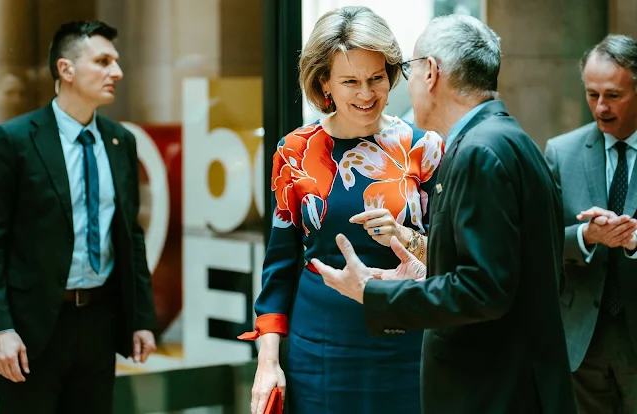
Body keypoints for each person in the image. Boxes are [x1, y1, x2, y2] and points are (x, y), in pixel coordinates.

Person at [311, 14, 578, 413]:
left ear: (431, 72)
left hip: (493, 391)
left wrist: (373, 292)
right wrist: (427, 268)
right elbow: (503, 271)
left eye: (408, 70)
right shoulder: (508, 138)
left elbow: (482, 290)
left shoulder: (478, 152)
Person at [238, 6, 444, 414]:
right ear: (324, 82)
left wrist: (406, 237)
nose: (366, 94)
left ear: (391, 74)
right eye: (350, 81)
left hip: (407, 341)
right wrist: (267, 362)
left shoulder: (426, 148)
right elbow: (279, 267)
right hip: (320, 347)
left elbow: (451, 256)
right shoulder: (295, 150)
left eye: (376, 78)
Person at [0, 20, 157, 413]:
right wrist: (1, 328)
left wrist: (141, 318)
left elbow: (130, 236)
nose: (116, 73)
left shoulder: (121, 140)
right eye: (103, 61)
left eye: (116, 62)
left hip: (99, 322)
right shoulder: (15, 141)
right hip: (32, 327)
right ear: (66, 70)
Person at [545, 34, 637, 413]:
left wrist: (634, 241)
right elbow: (541, 240)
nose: (600, 108)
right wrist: (585, 236)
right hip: (581, 343)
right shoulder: (560, 152)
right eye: (592, 94)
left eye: (613, 95)